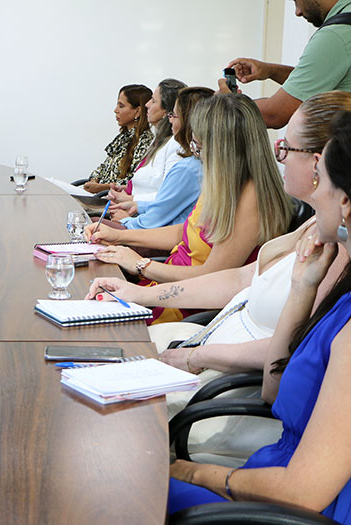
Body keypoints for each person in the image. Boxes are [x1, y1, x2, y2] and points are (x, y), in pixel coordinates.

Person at [88, 92, 351, 438]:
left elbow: (294, 353)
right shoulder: (315, 224)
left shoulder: (335, 251)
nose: (279, 156)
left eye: (287, 147)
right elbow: (241, 279)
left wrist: (196, 354)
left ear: (322, 163)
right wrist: (139, 293)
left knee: (104, 417)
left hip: (225, 386)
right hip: (207, 349)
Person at [167, 110, 351, 523]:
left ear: (345, 202)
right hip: (267, 482)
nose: (314, 194)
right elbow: (273, 391)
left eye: (321, 179)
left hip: (284, 506)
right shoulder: (336, 288)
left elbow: (304, 492)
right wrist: (302, 289)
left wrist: (194, 472)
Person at [87, 94, 293, 324]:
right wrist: (119, 237)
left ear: (223, 150)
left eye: (199, 147)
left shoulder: (251, 198)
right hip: (167, 288)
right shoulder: (223, 182)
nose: (197, 154)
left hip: (185, 304)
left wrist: (141, 265)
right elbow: (184, 232)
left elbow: (212, 277)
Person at [223, 0, 351, 128]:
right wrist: (271, 71)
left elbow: (274, 115)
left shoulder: (335, 35)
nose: (297, 12)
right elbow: (315, 83)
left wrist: (224, 105)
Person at [103, 86, 211, 231]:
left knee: (94, 224)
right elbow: (166, 203)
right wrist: (137, 205)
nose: (170, 120)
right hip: (156, 227)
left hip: (157, 234)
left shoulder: (188, 167)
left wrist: (126, 219)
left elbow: (154, 220)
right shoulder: (193, 162)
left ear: (188, 121)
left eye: (173, 114)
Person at [108, 78, 186, 204]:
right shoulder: (158, 140)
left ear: (166, 111)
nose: (147, 104)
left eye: (153, 101)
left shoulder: (176, 145)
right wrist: (127, 190)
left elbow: (168, 196)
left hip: (142, 215)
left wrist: (130, 199)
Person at [82, 84, 154, 194]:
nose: (115, 110)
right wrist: (94, 181)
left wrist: (102, 187)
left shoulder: (145, 142)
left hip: (115, 200)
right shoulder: (123, 137)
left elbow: (134, 182)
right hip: (100, 196)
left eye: (121, 106)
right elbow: (104, 166)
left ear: (137, 111)